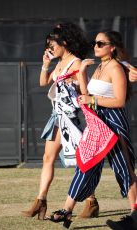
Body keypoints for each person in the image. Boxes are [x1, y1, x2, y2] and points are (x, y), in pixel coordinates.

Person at [48, 31, 137, 230]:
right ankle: (67, 209)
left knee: (124, 168)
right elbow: (87, 95)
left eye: (100, 43)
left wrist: (92, 100)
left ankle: (135, 213)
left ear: (112, 47)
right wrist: (81, 75)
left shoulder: (115, 67)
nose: (95, 46)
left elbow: (120, 101)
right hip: (97, 122)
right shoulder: (99, 66)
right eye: (94, 43)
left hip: (113, 123)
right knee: (86, 164)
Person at [21, 22, 99, 220]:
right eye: (48, 45)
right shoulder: (59, 63)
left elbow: (85, 91)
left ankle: (91, 201)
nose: (49, 48)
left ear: (64, 42)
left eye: (52, 44)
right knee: (48, 158)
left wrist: (74, 81)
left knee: (81, 162)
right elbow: (42, 82)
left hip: (73, 119)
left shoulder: (76, 62)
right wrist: (46, 64)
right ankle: (41, 200)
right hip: (57, 117)